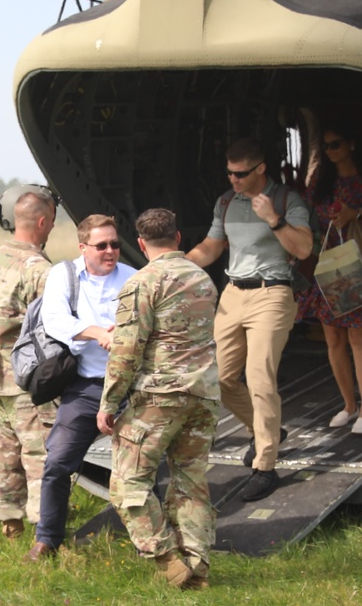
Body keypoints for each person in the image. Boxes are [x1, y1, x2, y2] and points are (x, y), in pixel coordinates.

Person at [96, 208, 221, 590]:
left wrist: (108, 403)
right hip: (202, 396)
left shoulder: (142, 282)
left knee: (127, 483)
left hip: (159, 397)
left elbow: (127, 350)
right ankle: (198, 569)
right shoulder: (202, 278)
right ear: (178, 238)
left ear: (140, 243)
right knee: (191, 483)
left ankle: (167, 560)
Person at [186, 137, 313, 502]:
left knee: (260, 377)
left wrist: (273, 219)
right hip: (233, 293)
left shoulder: (287, 201)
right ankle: (265, 430)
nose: (234, 179)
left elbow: (303, 249)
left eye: (241, 174)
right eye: (229, 172)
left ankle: (265, 465)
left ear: (260, 169)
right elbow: (212, 246)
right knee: (221, 377)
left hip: (272, 292)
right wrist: (179, 261)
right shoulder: (226, 201)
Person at [24, 214, 137, 561]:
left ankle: (152, 540)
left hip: (131, 389)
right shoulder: (64, 274)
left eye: (115, 244)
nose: (110, 251)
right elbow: (56, 320)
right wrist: (99, 332)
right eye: (101, 245)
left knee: (143, 465)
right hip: (87, 387)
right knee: (57, 462)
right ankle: (47, 539)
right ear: (83, 247)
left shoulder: (133, 277)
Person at [296, 122, 362, 434]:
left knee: (359, 336)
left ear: (351, 144)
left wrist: (356, 214)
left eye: (336, 144)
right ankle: (348, 404)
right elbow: (307, 213)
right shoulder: (320, 181)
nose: (331, 152)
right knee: (332, 338)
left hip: (357, 264)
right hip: (327, 262)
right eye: (326, 146)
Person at [0, 184, 58, 540]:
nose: (51, 228)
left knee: (3, 454)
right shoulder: (38, 269)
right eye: (50, 222)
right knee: (39, 454)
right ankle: (43, 529)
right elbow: (56, 324)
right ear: (41, 221)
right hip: (28, 381)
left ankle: (10, 522)